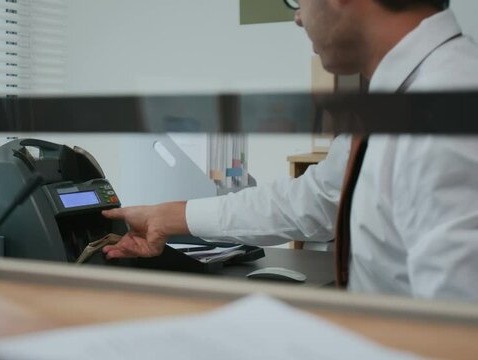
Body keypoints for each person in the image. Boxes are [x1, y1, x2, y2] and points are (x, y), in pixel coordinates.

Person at [102, 0, 478, 301]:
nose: (298, 17)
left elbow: (456, 326)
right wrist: (168, 217)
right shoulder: (402, 95)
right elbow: (315, 200)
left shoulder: (446, 109)